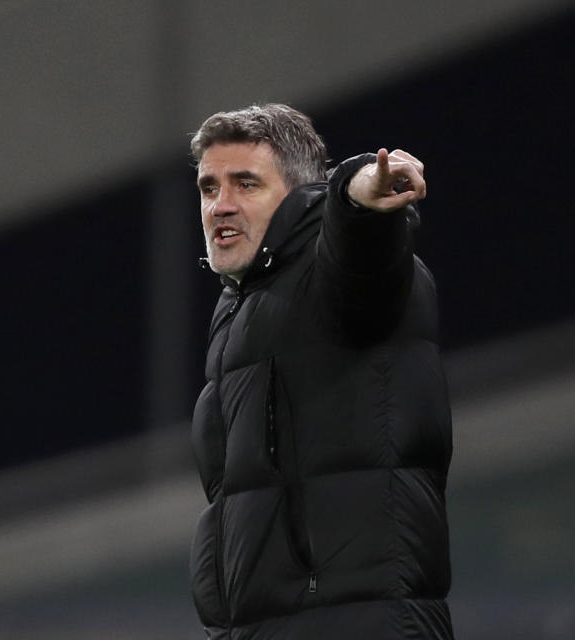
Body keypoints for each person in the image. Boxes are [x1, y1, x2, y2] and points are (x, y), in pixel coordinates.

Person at [188, 104, 453, 639]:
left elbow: (360, 254)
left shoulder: (327, 271)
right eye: (209, 188)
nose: (221, 205)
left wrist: (360, 201)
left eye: (245, 184)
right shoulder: (238, 309)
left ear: (299, 195)